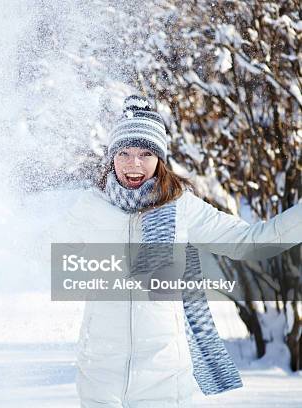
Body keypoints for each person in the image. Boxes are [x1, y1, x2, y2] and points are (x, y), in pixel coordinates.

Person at [42, 95, 301, 407]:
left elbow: (249, 242)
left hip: (165, 378)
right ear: (111, 157)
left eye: (144, 153)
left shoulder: (181, 207)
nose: (132, 163)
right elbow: (44, 252)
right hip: (100, 376)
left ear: (159, 159)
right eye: (123, 153)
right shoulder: (90, 207)